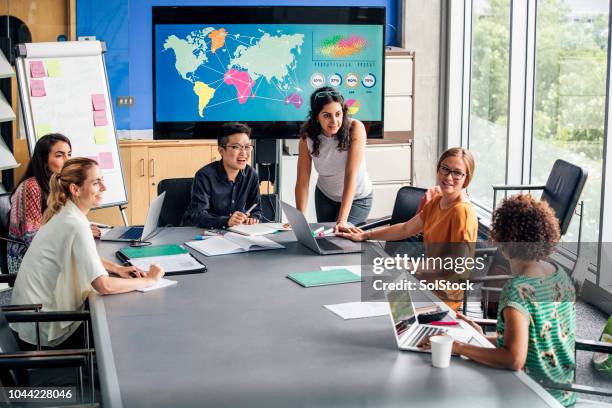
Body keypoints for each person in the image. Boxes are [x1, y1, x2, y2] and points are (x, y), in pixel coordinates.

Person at [421, 195, 576, 407]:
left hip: (527, 396)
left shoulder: (517, 290)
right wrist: (480, 336)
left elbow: (514, 359)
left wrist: (458, 346)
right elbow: (536, 343)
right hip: (562, 398)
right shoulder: (560, 276)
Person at [10, 158, 165, 348]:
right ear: (75, 189)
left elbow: (80, 254)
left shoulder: (63, 212)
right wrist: (148, 280)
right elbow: (104, 286)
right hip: (45, 331)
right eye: (96, 182)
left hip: (29, 323)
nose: (104, 188)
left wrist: (117, 268)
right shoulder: (76, 224)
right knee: (125, 325)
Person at [336, 147, 478, 310]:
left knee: (371, 302)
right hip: (421, 283)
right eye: (445, 169)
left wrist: (409, 265)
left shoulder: (462, 212)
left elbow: (456, 267)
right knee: (362, 289)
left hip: (441, 297)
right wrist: (365, 235)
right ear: (438, 169)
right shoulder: (437, 201)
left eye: (457, 173)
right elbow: (406, 229)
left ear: (466, 179)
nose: (448, 177)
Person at [7, 134, 123, 276]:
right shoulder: (31, 187)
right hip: (28, 261)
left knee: (96, 265)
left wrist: (82, 230)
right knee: (93, 272)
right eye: (60, 155)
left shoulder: (59, 183)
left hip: (50, 253)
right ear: (44, 160)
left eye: (69, 154)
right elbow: (32, 238)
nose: (68, 160)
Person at [295, 86, 373, 231]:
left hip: (357, 198)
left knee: (342, 238)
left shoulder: (355, 128)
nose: (334, 121)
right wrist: (300, 219)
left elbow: (351, 176)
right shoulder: (307, 136)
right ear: (316, 117)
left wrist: (342, 221)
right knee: (324, 239)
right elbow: (303, 181)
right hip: (325, 196)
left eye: (338, 114)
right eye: (326, 115)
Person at [183, 122, 262, 229]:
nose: (244, 153)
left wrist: (253, 217)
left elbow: (256, 208)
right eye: (236, 147)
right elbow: (197, 215)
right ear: (221, 150)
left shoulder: (251, 174)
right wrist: (226, 221)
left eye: (247, 147)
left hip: (238, 234)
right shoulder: (204, 175)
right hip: (207, 235)